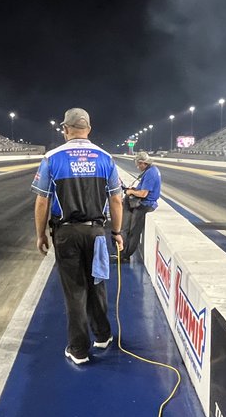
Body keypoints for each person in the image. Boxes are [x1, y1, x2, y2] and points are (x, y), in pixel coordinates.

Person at [32, 107, 124, 366]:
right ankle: (103, 335)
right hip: (96, 232)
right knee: (97, 283)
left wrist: (40, 234)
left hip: (66, 233)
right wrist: (117, 232)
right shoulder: (105, 158)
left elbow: (42, 201)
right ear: (89, 129)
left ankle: (79, 350)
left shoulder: (52, 158)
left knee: (75, 291)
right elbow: (116, 200)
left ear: (65, 129)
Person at [120, 151, 161, 262]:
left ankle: (125, 255)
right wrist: (134, 190)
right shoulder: (151, 170)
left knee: (134, 231)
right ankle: (123, 251)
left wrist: (130, 192)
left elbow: (143, 194)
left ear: (143, 163)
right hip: (145, 202)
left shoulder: (150, 173)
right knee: (128, 228)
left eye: (138, 165)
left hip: (145, 205)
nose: (137, 167)